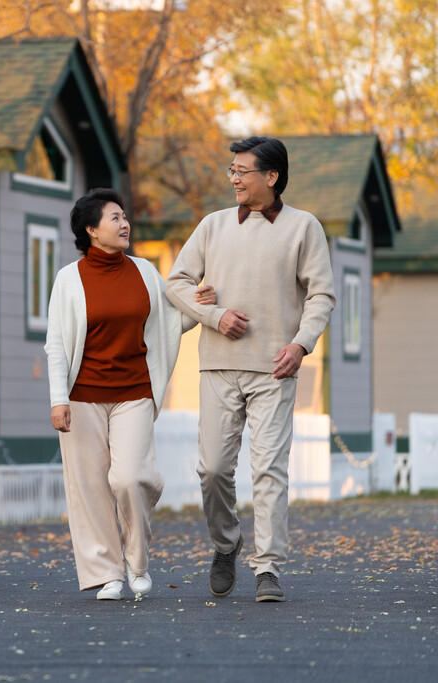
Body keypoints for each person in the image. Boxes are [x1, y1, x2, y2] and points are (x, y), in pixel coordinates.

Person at [164, 136, 335, 602]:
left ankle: (268, 568)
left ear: (271, 176)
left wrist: (301, 345)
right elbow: (176, 283)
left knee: (269, 470)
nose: (234, 178)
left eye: (242, 170)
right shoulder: (213, 226)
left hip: (275, 368)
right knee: (213, 469)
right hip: (218, 364)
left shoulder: (304, 227)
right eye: (232, 170)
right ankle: (226, 543)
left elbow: (321, 294)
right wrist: (214, 316)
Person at [44, 188, 214, 601]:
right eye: (114, 218)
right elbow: (57, 345)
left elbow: (167, 323)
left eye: (124, 217)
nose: (125, 224)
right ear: (91, 230)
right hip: (82, 396)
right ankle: (109, 575)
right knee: (90, 488)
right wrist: (57, 399)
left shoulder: (144, 271)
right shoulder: (70, 279)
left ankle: (137, 564)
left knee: (130, 478)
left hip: (134, 391)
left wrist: (199, 305)